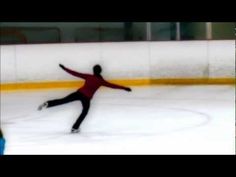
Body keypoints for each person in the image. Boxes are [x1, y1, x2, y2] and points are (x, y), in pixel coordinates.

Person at [38, 64, 132, 133]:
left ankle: (48, 104)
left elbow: (75, 73)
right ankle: (75, 128)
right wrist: (125, 88)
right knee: (84, 112)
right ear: (100, 71)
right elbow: (112, 86)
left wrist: (65, 68)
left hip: (79, 93)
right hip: (86, 98)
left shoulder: (88, 76)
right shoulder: (101, 81)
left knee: (63, 100)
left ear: (93, 71)